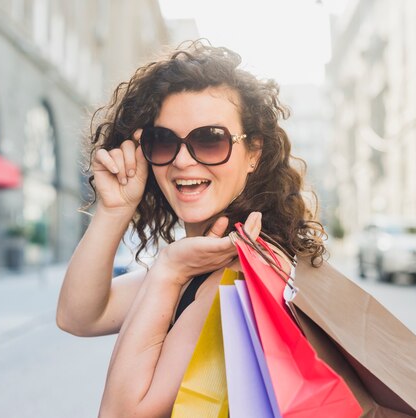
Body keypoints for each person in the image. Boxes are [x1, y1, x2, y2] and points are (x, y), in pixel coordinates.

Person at [56, 40, 326, 417]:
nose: (183, 160)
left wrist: (169, 270)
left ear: (254, 153)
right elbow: (78, 315)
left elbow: (121, 414)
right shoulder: (209, 259)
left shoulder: (237, 271)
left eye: (209, 140)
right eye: (163, 141)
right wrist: (114, 210)